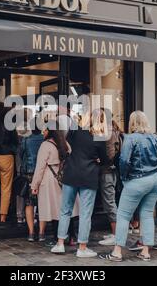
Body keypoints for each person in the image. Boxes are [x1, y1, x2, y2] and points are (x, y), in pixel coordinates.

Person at [99, 111, 157, 262]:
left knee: (123, 215)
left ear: (132, 123)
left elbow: (124, 161)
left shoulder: (130, 139)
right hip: (154, 179)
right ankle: (145, 251)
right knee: (147, 214)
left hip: (136, 180)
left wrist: (124, 178)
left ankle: (117, 252)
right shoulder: (155, 138)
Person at [51, 109, 108, 258]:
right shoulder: (99, 138)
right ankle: (82, 248)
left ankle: (60, 244)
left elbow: (65, 147)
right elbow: (106, 161)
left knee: (65, 210)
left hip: (71, 174)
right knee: (85, 213)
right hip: (88, 177)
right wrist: (97, 160)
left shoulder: (75, 132)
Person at [31, 125, 78, 242]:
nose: (43, 131)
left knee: (54, 209)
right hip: (65, 176)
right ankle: (72, 236)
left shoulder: (45, 145)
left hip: (50, 177)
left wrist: (34, 185)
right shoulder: (65, 144)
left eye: (45, 129)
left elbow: (40, 167)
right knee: (67, 207)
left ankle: (58, 238)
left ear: (51, 131)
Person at [98, 109, 123, 246]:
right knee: (110, 201)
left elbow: (110, 154)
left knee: (109, 202)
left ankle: (116, 234)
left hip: (108, 171)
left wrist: (100, 160)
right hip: (112, 171)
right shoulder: (114, 130)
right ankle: (115, 232)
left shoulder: (107, 133)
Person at [18, 123, 43, 241]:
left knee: (29, 203)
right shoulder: (45, 140)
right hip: (43, 173)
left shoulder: (26, 140)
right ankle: (42, 233)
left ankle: (31, 233)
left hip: (29, 173)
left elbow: (20, 154)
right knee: (42, 203)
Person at [15, 108, 34, 226]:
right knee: (31, 191)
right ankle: (31, 215)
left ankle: (19, 215)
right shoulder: (30, 130)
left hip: (21, 162)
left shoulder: (17, 127)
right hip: (29, 164)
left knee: (21, 189)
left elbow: (19, 151)